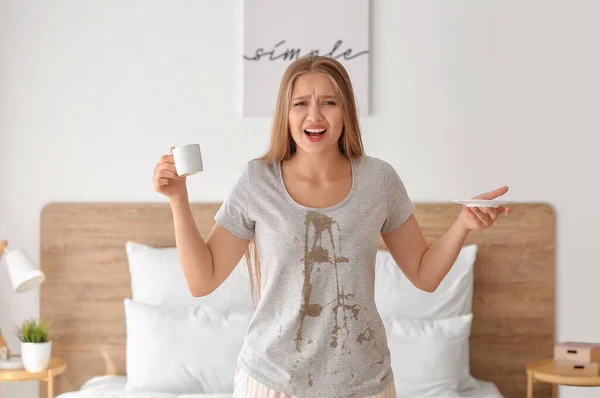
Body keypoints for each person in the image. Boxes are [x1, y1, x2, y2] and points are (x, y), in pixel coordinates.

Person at [152, 55, 511, 398]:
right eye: (300, 103)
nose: (314, 115)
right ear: (284, 113)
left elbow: (424, 274)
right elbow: (202, 280)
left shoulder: (379, 180)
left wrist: (463, 224)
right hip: (271, 381)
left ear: (346, 112)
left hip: (364, 383)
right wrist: (178, 200)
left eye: (328, 102)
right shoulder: (257, 182)